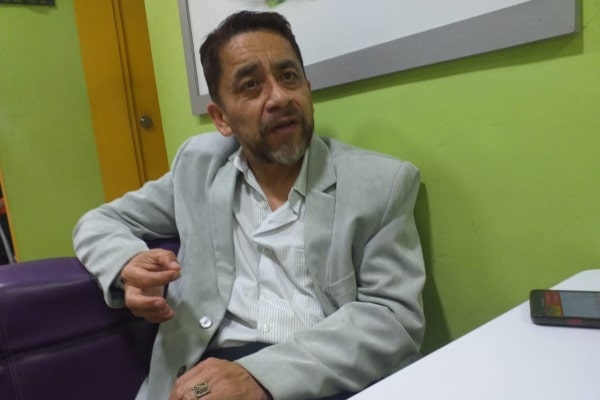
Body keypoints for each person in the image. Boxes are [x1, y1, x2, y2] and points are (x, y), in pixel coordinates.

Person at [73, 10, 425, 400]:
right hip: (201, 375)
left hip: (318, 375)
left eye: (288, 76)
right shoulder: (200, 167)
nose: (279, 97)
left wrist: (259, 375)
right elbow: (100, 221)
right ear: (221, 118)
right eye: (251, 85)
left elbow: (394, 320)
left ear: (308, 90)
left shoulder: (379, 184)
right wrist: (127, 265)